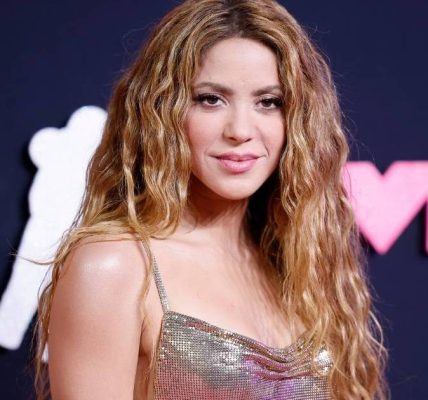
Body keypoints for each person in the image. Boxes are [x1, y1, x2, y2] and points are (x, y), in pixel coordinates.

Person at [32, 0, 389, 399]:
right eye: (210, 99)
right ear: (161, 110)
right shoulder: (113, 266)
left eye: (269, 102)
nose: (240, 130)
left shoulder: (295, 265)